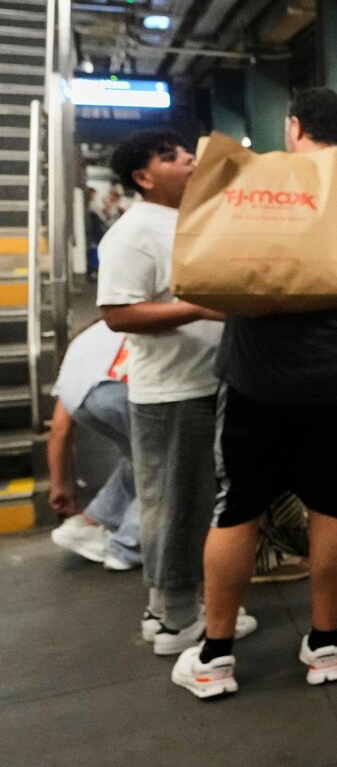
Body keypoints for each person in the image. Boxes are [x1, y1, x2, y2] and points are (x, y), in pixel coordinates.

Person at [170, 88, 337, 699]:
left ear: (296, 127)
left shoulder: (252, 183)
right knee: (333, 505)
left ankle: (216, 655)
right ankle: (326, 646)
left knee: (238, 506)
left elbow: (216, 274)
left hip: (259, 378)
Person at [98, 129, 256, 656]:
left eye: (186, 152)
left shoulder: (188, 219)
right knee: (177, 506)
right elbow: (118, 313)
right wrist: (200, 308)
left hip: (207, 383)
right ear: (143, 177)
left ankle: (172, 608)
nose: (188, 159)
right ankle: (174, 620)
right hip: (170, 393)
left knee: (194, 501)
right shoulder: (134, 232)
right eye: (171, 158)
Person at [47, 320, 137, 570]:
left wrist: (59, 485)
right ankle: (128, 546)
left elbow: (60, 428)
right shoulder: (123, 329)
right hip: (120, 390)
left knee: (137, 458)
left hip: (81, 401)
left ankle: (89, 523)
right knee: (166, 463)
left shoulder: (83, 344)